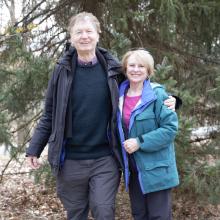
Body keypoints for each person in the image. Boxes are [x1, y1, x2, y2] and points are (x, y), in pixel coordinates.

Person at [26, 12, 177, 220]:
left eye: (89, 31)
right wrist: (34, 148)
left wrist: (175, 99)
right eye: (79, 32)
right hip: (70, 160)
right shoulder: (61, 72)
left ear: (98, 35)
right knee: (76, 213)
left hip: (105, 158)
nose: (84, 36)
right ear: (71, 37)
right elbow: (49, 114)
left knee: (103, 210)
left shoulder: (113, 70)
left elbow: (144, 87)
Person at [117, 49, 179, 220]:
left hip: (157, 169)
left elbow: (169, 129)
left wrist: (139, 142)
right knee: (139, 215)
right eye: (132, 65)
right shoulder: (118, 95)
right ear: (125, 68)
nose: (136, 69)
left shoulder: (158, 94)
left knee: (159, 216)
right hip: (134, 170)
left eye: (141, 66)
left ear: (148, 71)